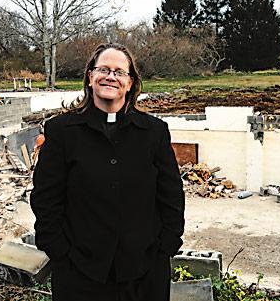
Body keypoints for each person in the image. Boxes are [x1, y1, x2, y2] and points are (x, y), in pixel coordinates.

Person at [30, 42, 184, 301]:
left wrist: (166, 244)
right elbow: (46, 198)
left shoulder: (153, 132)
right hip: (79, 272)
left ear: (131, 82)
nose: (110, 76)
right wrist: (59, 250)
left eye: (119, 71)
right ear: (90, 77)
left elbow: (171, 194)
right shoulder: (61, 132)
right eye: (103, 69)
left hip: (144, 271)